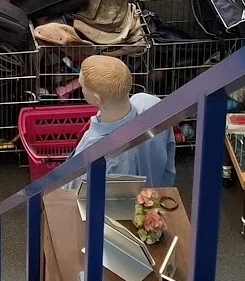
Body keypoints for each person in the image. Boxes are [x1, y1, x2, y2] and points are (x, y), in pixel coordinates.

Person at [75, 55, 175, 188]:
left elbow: (75, 195)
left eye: (82, 86)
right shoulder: (153, 106)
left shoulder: (97, 152)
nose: (80, 88)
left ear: (97, 98)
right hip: (155, 198)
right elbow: (168, 168)